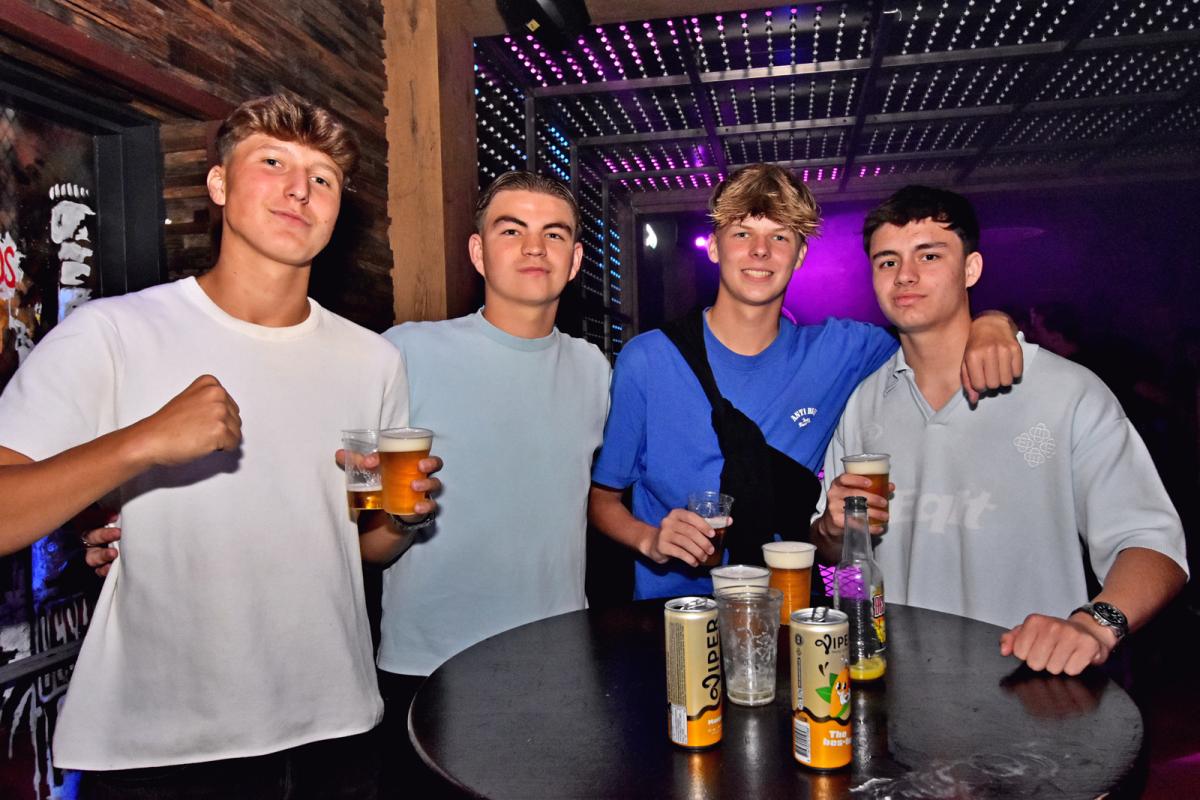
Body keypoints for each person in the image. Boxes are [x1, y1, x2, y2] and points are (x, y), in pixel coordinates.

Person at [0, 93, 440, 798]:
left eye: (322, 178)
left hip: (335, 732)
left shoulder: (372, 360)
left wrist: (404, 517)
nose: (300, 189)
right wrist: (141, 443)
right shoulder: (112, 333)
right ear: (219, 184)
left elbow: (360, 548)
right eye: (272, 163)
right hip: (161, 749)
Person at [588, 164, 1023, 600]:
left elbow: (929, 332)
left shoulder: (839, 352)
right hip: (675, 609)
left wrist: (992, 322)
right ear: (715, 247)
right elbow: (602, 500)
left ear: (799, 255)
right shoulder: (648, 360)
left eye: (779, 237)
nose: (760, 251)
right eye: (742, 233)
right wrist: (650, 539)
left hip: (786, 608)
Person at [813, 185, 1188, 676]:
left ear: (971, 269)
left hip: (1031, 685)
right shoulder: (865, 401)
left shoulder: (1064, 391)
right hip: (897, 685)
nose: (905, 274)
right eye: (887, 261)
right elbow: (831, 547)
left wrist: (1095, 626)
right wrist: (832, 530)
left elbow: (1154, 544)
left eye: (929, 255)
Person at [373, 172, 610, 793]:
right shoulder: (406, 353)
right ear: (478, 252)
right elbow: (354, 508)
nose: (534, 247)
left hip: (558, 660)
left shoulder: (593, 369)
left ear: (574, 260)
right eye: (512, 230)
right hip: (431, 665)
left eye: (554, 234)